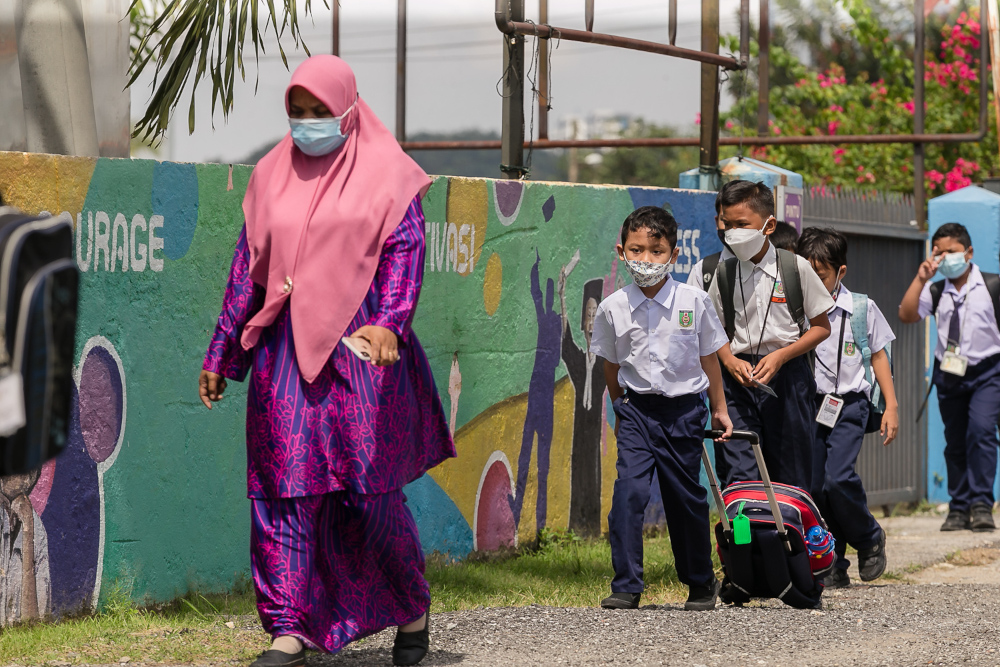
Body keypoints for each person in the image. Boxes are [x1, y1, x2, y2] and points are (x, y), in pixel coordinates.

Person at [198, 55, 455, 667]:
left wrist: (389, 321)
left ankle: (411, 605)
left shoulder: (389, 174)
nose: (308, 124)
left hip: (362, 353)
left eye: (320, 112)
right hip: (284, 355)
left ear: (348, 108)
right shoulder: (269, 174)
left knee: (368, 491)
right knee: (282, 488)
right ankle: (287, 628)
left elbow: (405, 250)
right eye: (297, 112)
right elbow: (249, 270)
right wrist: (223, 351)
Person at [590, 205, 733, 612]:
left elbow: (709, 358)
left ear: (673, 254)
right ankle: (627, 585)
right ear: (621, 251)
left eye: (656, 251)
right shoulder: (612, 307)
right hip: (636, 412)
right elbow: (611, 364)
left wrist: (719, 408)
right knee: (629, 493)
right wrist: (620, 408)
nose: (645, 260)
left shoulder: (694, 300)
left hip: (684, 412)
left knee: (684, 498)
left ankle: (701, 583)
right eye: (636, 250)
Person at [708, 180, 834, 489]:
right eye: (728, 224)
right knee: (741, 474)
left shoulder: (795, 268)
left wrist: (781, 356)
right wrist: (727, 360)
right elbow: (710, 330)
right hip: (737, 382)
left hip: (788, 379)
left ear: (769, 225)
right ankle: (748, 538)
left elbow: (821, 327)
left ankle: (790, 536)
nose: (733, 232)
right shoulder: (723, 271)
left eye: (742, 224)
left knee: (790, 474)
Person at [797, 227, 899, 588]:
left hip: (850, 403)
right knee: (815, 487)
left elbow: (878, 354)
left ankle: (869, 536)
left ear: (840, 272)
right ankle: (833, 561)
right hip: (811, 405)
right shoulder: (796, 310)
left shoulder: (861, 307)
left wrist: (891, 405)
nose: (813, 281)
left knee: (838, 478)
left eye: (820, 274)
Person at [899, 222, 1000, 533]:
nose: (945, 258)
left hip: (987, 372)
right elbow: (907, 314)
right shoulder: (936, 289)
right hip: (950, 374)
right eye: (939, 253)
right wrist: (921, 278)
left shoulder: (992, 285)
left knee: (981, 432)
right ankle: (958, 507)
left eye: (952, 252)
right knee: (955, 440)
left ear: (968, 253)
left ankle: (982, 503)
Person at [513, 250, 561, 533]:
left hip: (543, 395)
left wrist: (538, 270)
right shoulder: (548, 320)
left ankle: (539, 525)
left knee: (538, 462)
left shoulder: (553, 323)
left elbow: (539, 294)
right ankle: (522, 516)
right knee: (529, 458)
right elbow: (537, 294)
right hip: (537, 393)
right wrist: (535, 267)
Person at [687, 191, 731, 292]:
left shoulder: (774, 268)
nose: (732, 229)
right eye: (726, 222)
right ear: (717, 222)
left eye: (741, 223)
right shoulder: (702, 271)